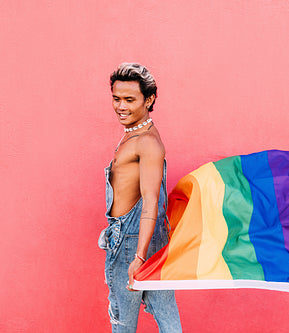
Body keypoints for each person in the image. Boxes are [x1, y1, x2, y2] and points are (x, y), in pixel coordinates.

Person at [99, 63, 182, 332]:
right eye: (116, 98)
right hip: (143, 237)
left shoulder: (146, 142)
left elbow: (150, 201)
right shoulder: (135, 134)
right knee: (168, 322)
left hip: (132, 242)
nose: (121, 106)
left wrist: (139, 256)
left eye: (129, 100)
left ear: (149, 99)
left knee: (123, 326)